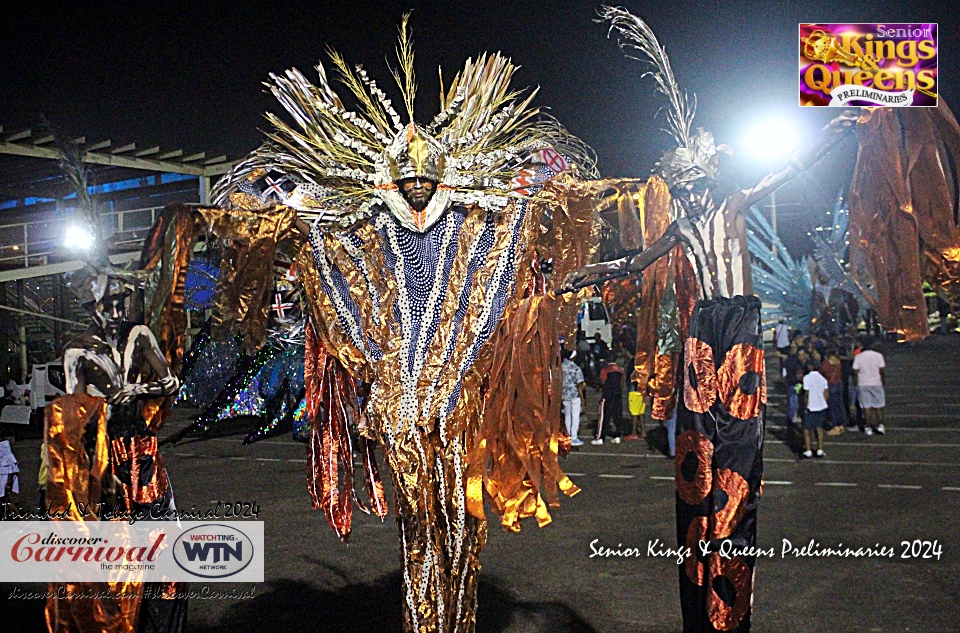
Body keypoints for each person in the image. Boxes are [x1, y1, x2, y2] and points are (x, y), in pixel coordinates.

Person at [853, 340, 887, 435]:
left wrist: (856, 384)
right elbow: (882, 371)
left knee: (866, 407)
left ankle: (868, 427)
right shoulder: (878, 356)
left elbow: (855, 371)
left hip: (863, 383)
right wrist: (883, 381)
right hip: (876, 382)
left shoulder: (858, 357)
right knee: (879, 406)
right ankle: (880, 425)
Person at [592, 354, 624, 445]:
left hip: (607, 395)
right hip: (617, 395)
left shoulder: (605, 369)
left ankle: (600, 437)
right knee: (617, 415)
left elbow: (602, 381)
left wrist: (600, 388)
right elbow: (622, 384)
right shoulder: (620, 369)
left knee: (603, 416)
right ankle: (617, 436)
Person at [801, 363, 830, 458]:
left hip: (810, 407)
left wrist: (805, 406)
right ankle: (820, 450)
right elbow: (826, 393)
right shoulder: (822, 379)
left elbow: (806, 394)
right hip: (821, 406)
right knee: (819, 429)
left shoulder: (807, 378)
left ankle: (808, 450)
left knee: (806, 429)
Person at [561, 349, 586, 447]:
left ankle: (567, 436)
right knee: (575, 416)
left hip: (565, 394)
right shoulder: (576, 368)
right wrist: (583, 398)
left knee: (567, 416)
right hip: (574, 395)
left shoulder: (561, 367)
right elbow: (579, 385)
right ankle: (574, 437)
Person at [820, 346, 847, 435]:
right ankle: (841, 424)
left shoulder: (826, 363)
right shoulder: (838, 362)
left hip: (831, 385)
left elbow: (821, 372)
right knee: (839, 405)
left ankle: (836, 426)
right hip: (839, 384)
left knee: (833, 407)